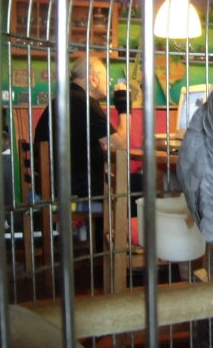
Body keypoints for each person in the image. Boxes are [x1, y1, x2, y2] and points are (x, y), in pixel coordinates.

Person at [35, 56, 139, 243]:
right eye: (106, 78)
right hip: (70, 188)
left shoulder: (67, 99)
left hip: (55, 183)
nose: (108, 83)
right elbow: (120, 144)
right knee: (141, 185)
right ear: (93, 78)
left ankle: (104, 245)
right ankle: (121, 249)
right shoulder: (82, 102)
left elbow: (103, 143)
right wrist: (124, 108)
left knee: (117, 182)